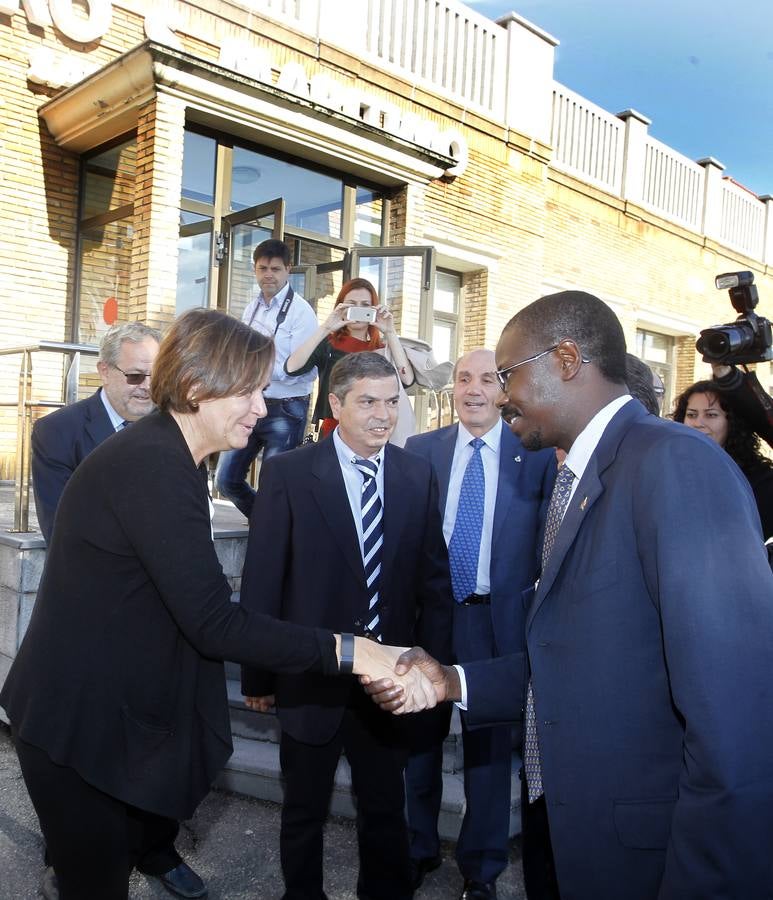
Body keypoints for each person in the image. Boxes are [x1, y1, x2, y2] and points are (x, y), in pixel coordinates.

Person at [0, 309, 434, 900]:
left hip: (106, 719)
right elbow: (213, 621)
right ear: (201, 389)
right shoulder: (153, 466)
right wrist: (354, 651)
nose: (263, 408)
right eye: (251, 391)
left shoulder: (167, 458)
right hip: (79, 728)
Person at [364, 290, 773, 900]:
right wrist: (453, 680)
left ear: (564, 359)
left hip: (647, 858)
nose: (500, 395)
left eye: (506, 375)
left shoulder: (673, 464)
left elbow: (733, 720)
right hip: (570, 834)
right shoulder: (578, 476)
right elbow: (571, 655)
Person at [240, 350, 453, 900]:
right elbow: (264, 580)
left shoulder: (415, 473)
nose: (383, 415)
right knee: (304, 809)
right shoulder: (288, 473)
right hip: (311, 677)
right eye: (368, 402)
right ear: (336, 404)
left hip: (389, 680)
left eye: (391, 401)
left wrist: (431, 667)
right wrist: (260, 678)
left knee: (384, 810)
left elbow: (433, 581)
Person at [403, 349, 555, 900]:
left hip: (498, 623)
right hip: (431, 621)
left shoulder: (535, 456)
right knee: (417, 740)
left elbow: (545, 550)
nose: (472, 389)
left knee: (489, 753)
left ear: (504, 391)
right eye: (463, 378)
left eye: (487, 380)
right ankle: (416, 848)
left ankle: (481, 870)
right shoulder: (421, 451)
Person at [215, 239, 318, 518]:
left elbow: (307, 369)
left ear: (288, 270)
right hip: (252, 403)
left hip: (287, 407)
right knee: (225, 479)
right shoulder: (252, 309)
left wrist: (262, 370)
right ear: (255, 270)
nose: (268, 274)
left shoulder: (302, 313)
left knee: (274, 486)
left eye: (275, 268)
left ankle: (270, 531)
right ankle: (266, 523)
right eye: (262, 268)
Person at [31, 321, 161, 543]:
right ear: (105, 371)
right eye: (135, 376)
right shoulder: (57, 432)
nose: (147, 387)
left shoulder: (173, 426)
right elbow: (62, 532)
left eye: (156, 376)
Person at [284, 276, 415, 440]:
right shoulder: (329, 344)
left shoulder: (382, 348)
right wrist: (326, 327)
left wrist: (390, 332)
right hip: (334, 431)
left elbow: (407, 379)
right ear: (341, 306)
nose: (359, 310)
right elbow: (291, 368)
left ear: (374, 309)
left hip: (373, 431)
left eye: (365, 305)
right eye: (352, 304)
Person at [672, 379, 773, 539]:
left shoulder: (760, 480)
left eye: (711, 415)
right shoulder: (667, 467)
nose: (698, 423)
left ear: (732, 423)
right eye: (691, 414)